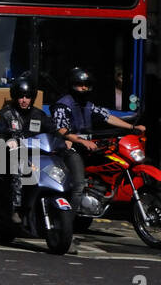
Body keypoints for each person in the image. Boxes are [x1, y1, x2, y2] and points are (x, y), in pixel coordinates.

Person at [51, 67, 144, 212]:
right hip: (69, 149)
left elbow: (107, 117)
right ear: (72, 85)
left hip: (86, 147)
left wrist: (132, 127)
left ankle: (100, 194)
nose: (83, 88)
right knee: (79, 185)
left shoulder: (88, 105)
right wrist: (81, 141)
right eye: (80, 85)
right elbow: (61, 129)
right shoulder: (63, 105)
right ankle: (68, 220)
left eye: (86, 85)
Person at [0, 76, 60, 224]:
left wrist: (62, 142)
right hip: (12, 157)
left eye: (28, 96)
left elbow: (53, 132)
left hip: (36, 156)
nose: (24, 100)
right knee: (18, 168)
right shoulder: (5, 114)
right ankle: (15, 208)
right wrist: (7, 141)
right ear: (15, 96)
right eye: (21, 96)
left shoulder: (39, 115)